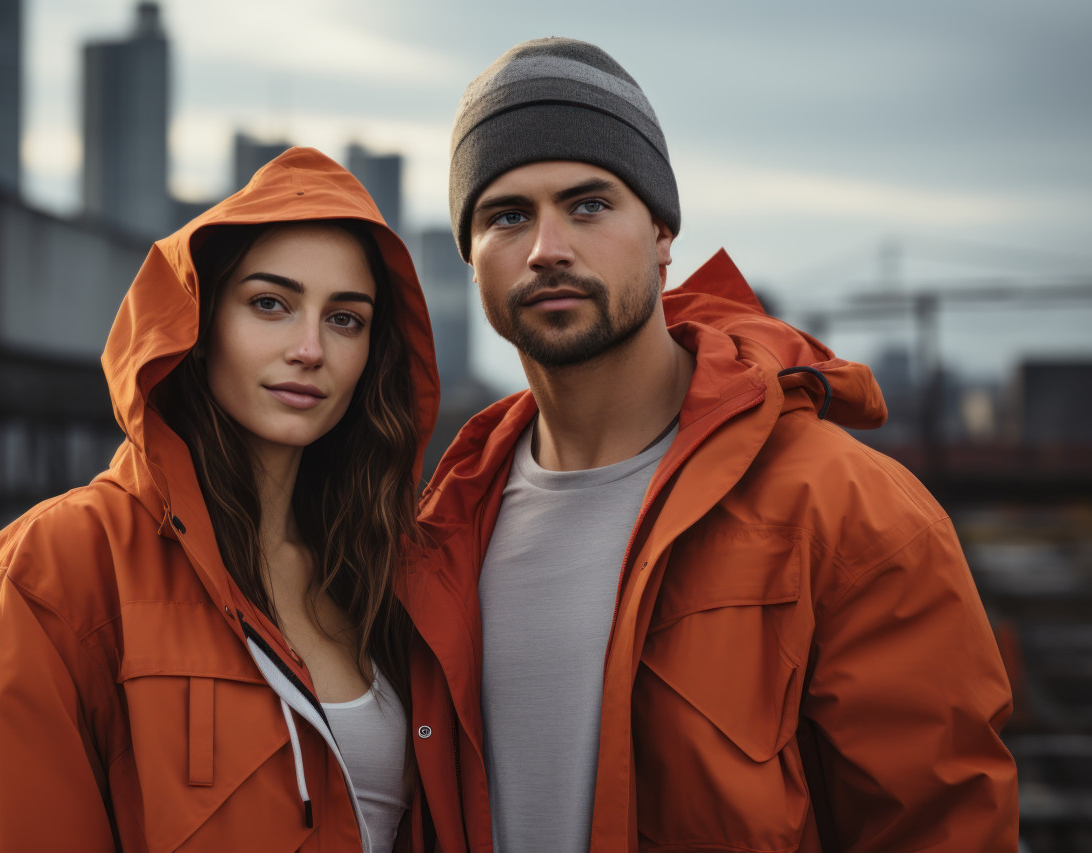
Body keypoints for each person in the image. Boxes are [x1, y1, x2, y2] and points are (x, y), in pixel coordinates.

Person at [400, 37, 1019, 852]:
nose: (548, 247)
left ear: (663, 235)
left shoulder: (852, 514)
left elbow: (942, 830)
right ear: (472, 260)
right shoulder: (437, 533)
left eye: (589, 205)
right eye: (507, 215)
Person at [0, 147, 440, 852]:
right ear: (198, 327)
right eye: (270, 304)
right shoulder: (61, 563)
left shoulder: (387, 571)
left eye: (345, 319)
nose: (310, 348)